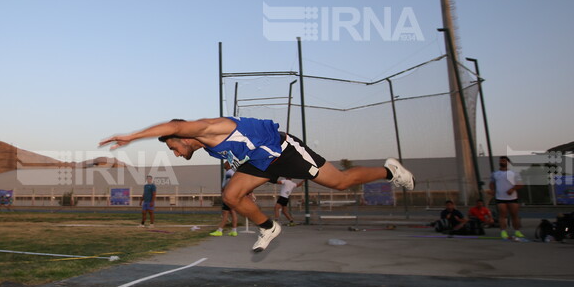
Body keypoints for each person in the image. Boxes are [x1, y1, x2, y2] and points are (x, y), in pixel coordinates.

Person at [101, 116, 414, 252]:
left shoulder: (208, 129)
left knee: (340, 183)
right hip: (262, 163)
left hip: (284, 151)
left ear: (183, 138)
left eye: (175, 148)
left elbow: (175, 124)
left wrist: (132, 136)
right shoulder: (210, 147)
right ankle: (269, 227)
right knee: (232, 194)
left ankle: (389, 171)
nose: (177, 154)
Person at [489, 156, 525, 241]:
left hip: (512, 197)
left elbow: (520, 184)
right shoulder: (495, 173)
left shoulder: (514, 173)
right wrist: (493, 190)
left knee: (514, 215)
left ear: (508, 162)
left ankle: (517, 231)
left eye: (504, 160)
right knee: (502, 215)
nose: (502, 162)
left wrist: (512, 189)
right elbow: (491, 183)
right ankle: (503, 232)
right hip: (500, 197)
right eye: (501, 160)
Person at [211, 162, 239, 237]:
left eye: (226, 162)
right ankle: (234, 230)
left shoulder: (229, 173)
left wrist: (224, 190)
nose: (224, 163)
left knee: (225, 213)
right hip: (232, 194)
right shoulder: (232, 172)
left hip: (228, 194)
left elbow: (227, 183)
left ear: (229, 165)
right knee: (232, 212)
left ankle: (220, 230)